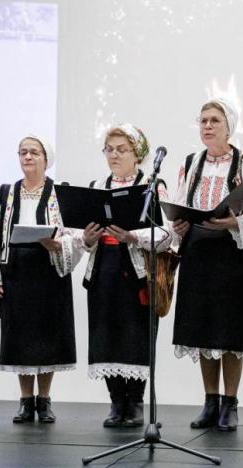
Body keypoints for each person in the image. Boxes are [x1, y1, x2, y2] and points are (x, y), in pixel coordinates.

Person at [170, 97, 243, 432]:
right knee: (201, 331)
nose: (208, 126)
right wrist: (179, 223)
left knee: (228, 333)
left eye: (215, 120)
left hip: (230, 254)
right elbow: (180, 203)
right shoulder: (190, 163)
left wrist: (233, 222)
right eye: (203, 121)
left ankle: (230, 403)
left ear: (229, 127)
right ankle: (210, 401)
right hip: (197, 252)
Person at [0, 135, 84, 424]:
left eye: (34, 152)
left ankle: (45, 399)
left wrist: (59, 244)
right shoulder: (6, 193)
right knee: (20, 337)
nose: (27, 157)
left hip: (49, 271)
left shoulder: (60, 192)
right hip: (16, 272)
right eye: (23, 152)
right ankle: (26, 400)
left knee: (48, 335)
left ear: (46, 158)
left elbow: (75, 234)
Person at [83, 124, 171, 428]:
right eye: (109, 149)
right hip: (103, 267)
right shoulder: (97, 186)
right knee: (105, 334)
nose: (114, 155)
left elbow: (167, 235)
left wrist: (133, 237)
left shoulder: (152, 186)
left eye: (122, 149)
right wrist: (87, 237)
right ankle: (116, 401)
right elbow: (77, 233)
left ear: (138, 153)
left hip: (137, 272)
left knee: (135, 335)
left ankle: (135, 402)